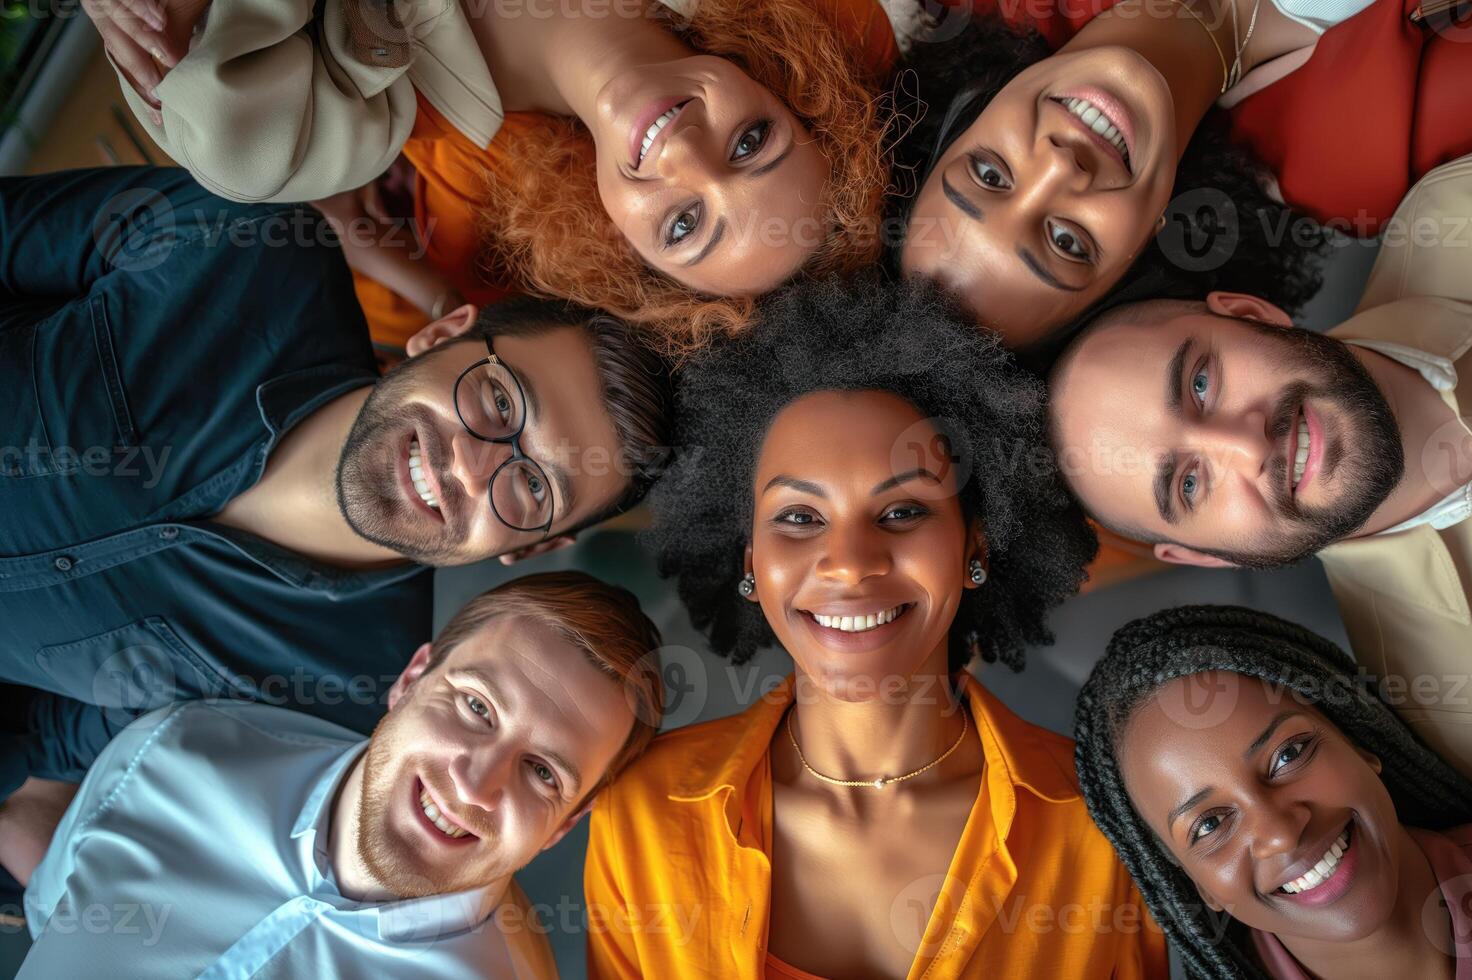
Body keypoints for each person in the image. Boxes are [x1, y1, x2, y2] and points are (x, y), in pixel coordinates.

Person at [1048, 142, 1472, 821]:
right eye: (1189, 486)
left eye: (1199, 382)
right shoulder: (1470, 708)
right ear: (1207, 555)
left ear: (1249, 314)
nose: (1245, 443)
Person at [0, 166, 671, 810]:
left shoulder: (339, 697)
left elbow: (44, 738)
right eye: (497, 401)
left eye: (528, 486)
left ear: (526, 548)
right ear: (440, 334)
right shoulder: (242, 246)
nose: (470, 467)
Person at [585, 279, 1167, 978]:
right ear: (750, 561)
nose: (850, 565)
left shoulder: (1103, 824)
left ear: (973, 547)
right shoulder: (640, 818)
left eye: (901, 513)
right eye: (798, 518)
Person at [84, 0, 900, 355]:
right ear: (779, 84)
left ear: (620, 244)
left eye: (683, 225)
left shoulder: (356, 132)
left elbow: (184, 59)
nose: (685, 155)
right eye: (753, 141)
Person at [1, 571, 666, 978]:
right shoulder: (172, 752)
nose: (475, 785)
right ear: (409, 681)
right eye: (475, 706)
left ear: (563, 827)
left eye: (543, 773)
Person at [892, 0, 1472, 348]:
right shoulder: (1360, 165)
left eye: (988, 173)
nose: (1055, 166)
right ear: (1142, 264)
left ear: (964, 113)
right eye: (1065, 240)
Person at [1072, 606, 1472, 980]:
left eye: (1289, 754)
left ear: (1359, 742)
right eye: (1210, 825)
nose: (1279, 829)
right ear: (1196, 885)